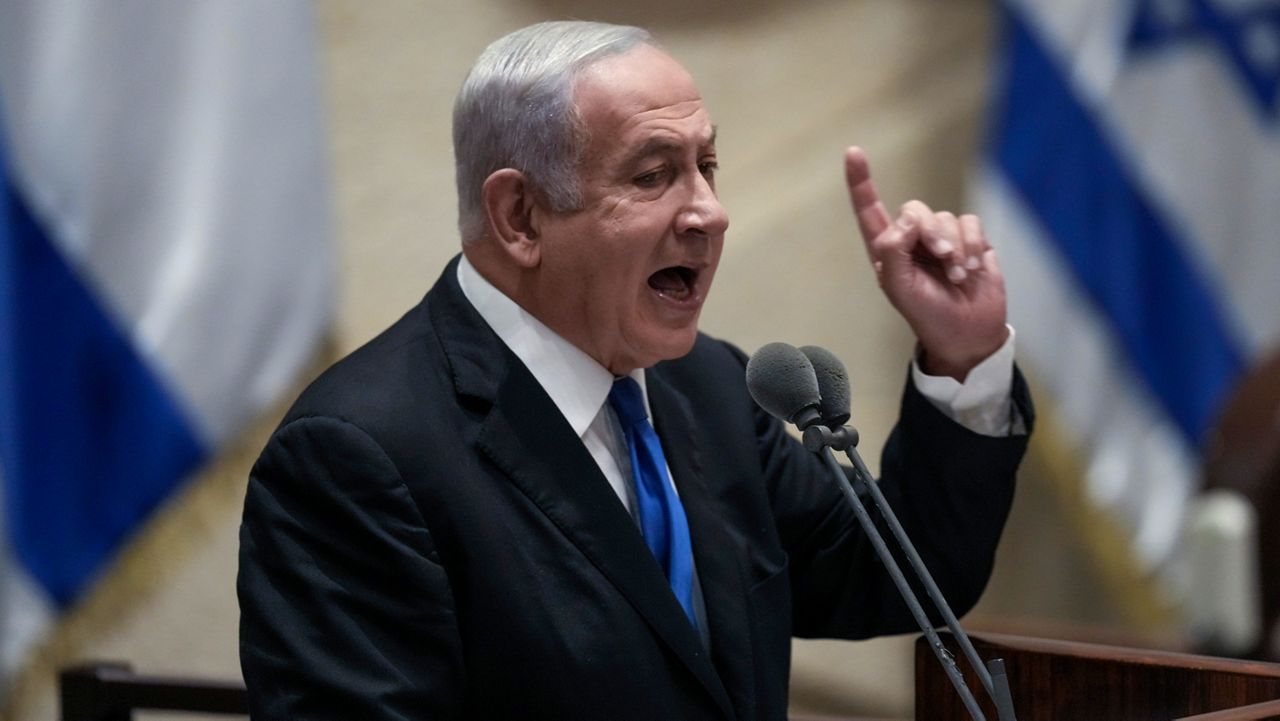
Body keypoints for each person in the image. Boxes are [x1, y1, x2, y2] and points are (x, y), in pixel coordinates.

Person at [237, 20, 1032, 721]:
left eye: (707, 165)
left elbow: (901, 573)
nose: (709, 211)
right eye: (653, 175)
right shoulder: (357, 459)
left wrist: (962, 353)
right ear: (520, 217)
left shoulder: (711, 388)